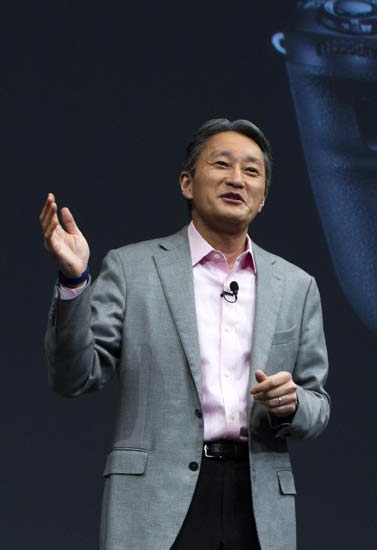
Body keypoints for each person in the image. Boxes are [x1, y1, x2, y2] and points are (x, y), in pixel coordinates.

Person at [40, 118, 330, 550]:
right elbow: (74, 377)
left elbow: (317, 406)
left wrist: (291, 405)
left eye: (252, 171)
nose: (237, 179)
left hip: (257, 504)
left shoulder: (297, 285)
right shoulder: (132, 269)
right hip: (155, 499)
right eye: (221, 164)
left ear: (263, 197)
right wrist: (74, 282)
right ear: (187, 183)